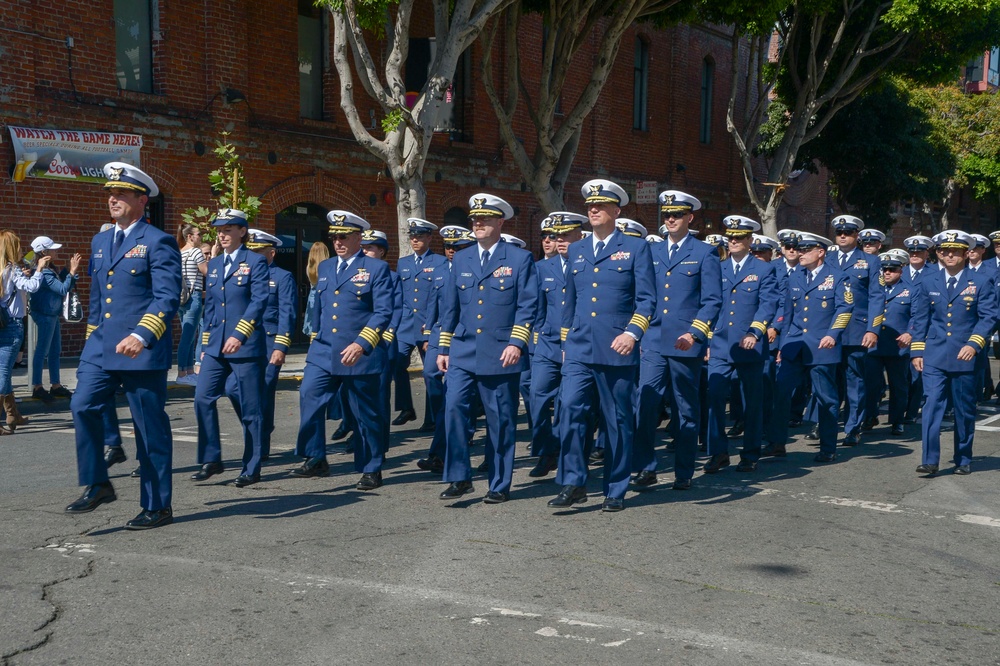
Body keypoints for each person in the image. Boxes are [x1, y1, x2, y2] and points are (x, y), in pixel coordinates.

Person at [65, 162, 181, 530]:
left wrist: (142, 335)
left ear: (142, 200)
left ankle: (158, 506)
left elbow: (167, 297)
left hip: (141, 350)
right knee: (82, 404)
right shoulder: (100, 241)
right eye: (110, 194)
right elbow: (98, 299)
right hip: (101, 346)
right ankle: (99, 483)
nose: (112, 199)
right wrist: (91, 343)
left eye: (121, 194)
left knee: (149, 430)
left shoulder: (157, 241)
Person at [550, 179, 655, 512]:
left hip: (616, 347)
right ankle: (573, 482)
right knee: (569, 409)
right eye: (590, 206)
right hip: (579, 347)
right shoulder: (577, 249)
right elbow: (570, 300)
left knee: (617, 420)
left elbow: (647, 300)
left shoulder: (636, 248)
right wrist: (565, 342)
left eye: (601, 205)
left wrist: (632, 334)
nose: (593, 210)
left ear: (616, 211)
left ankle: (615, 488)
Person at [435, 194, 537, 504]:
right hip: (463, 350)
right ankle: (459, 476)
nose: (478, 224)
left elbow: (527, 305)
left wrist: (517, 343)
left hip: (500, 352)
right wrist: (444, 347)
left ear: (500, 222)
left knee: (500, 420)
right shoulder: (462, 258)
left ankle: (499, 483)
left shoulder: (519, 258)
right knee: (453, 409)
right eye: (475, 219)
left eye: (485, 219)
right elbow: (450, 306)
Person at [291, 210, 393, 489]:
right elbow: (321, 308)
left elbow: (383, 312)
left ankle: (371, 467)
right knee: (309, 395)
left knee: (365, 414)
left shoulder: (376, 269)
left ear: (359, 237)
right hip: (324, 350)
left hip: (358, 352)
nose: (338, 242)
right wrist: (315, 338)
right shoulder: (326, 267)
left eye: (344, 236)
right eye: (334, 237)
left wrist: (362, 343)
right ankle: (315, 456)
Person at [631, 190, 722, 491]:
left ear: (689, 218)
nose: (670, 219)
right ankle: (646, 467)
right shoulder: (651, 251)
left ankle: (684, 470)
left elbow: (712, 300)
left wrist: (695, 333)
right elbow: (642, 294)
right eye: (667, 214)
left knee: (685, 408)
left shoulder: (704, 252)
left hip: (685, 342)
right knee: (646, 403)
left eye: (677, 214)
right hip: (654, 339)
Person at [191, 209, 269, 488]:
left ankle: (252, 466)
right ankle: (212, 458)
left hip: (244, 346)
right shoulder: (214, 264)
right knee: (202, 398)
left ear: (242, 232)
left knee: (250, 409)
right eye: (219, 230)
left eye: (228, 229)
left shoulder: (255, 261)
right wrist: (205, 344)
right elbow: (211, 307)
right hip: (216, 346)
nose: (222, 235)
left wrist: (240, 334)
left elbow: (259, 301)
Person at [910, 231, 998, 476]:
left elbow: (988, 317)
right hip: (935, 355)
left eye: (956, 251)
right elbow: (921, 318)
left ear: (966, 254)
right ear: (939, 253)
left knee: (964, 410)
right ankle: (929, 460)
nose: (950, 255)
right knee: (931, 405)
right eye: (945, 251)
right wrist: (917, 351)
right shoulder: (929, 281)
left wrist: (974, 344)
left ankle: (963, 457)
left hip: (965, 356)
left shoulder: (981, 281)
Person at [764, 231, 853, 463]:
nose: (800, 253)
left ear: (820, 252)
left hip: (822, 346)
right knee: (781, 392)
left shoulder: (838, 276)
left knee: (826, 398)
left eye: (805, 250)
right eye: (799, 249)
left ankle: (828, 447)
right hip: (795, 345)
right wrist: (783, 344)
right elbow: (788, 312)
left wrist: (833, 334)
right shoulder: (795, 276)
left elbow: (844, 308)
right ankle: (777, 443)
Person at [702, 217, 777, 474]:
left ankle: (750, 453)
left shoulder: (763, 269)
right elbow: (709, 305)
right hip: (720, 344)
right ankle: (718, 452)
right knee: (714, 397)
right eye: (730, 237)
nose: (733, 241)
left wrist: (755, 332)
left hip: (749, 345)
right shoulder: (717, 268)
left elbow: (768, 304)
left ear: (750, 240)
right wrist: (706, 339)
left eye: (739, 237)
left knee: (751, 402)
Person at [225, 229, 297, 461]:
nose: (252, 255)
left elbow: (287, 313)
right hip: (245, 341)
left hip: (268, 342)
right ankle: (256, 427)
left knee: (263, 391)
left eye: (258, 251)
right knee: (232, 388)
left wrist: (281, 346)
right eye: (250, 250)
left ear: (271, 253)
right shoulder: (242, 273)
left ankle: (260, 440)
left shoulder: (282, 277)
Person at [528, 212, 587, 478]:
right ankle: (546, 450)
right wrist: (537, 339)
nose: (559, 240)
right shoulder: (543, 268)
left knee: (568, 403)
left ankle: (567, 453)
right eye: (555, 236)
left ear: (579, 237)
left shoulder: (586, 263)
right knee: (537, 395)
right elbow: (538, 308)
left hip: (576, 343)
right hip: (548, 343)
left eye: (564, 235)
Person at [416, 224, 477, 474]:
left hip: (466, 337)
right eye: (449, 246)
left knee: (458, 394)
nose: (452, 251)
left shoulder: (475, 267)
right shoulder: (440, 270)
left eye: (458, 247)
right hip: (442, 333)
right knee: (432, 376)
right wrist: (428, 334)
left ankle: (447, 446)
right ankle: (444, 438)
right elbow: (434, 304)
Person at [829, 215, 884, 447]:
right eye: (839, 232)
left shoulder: (870, 261)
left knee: (854, 381)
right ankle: (825, 423)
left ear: (857, 236)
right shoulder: (827, 258)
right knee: (827, 379)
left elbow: (877, 297)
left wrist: (873, 329)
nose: (843, 236)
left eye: (848, 232)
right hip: (829, 330)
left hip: (856, 329)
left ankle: (853, 427)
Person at [393, 218, 448, 430]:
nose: (415, 240)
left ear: (429, 238)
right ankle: (406, 407)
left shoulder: (439, 262)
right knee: (396, 363)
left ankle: (433, 417)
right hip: (406, 325)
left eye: (420, 236)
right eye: (412, 237)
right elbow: (400, 295)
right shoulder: (404, 263)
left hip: (428, 324)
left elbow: (440, 297)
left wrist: (433, 326)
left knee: (430, 372)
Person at [0, 231, 50, 433]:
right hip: (11, 325)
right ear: (12, 248)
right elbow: (33, 286)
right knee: (3, 372)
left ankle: (13, 414)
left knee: (3, 370)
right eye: (19, 246)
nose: (22, 249)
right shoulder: (12, 269)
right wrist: (39, 269)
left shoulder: (5, 269)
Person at [863, 249, 914, 436]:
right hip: (874, 346)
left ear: (901, 270)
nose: (887, 273)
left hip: (898, 346)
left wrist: (910, 333)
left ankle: (897, 420)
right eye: (884, 269)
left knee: (898, 386)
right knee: (871, 384)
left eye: (892, 269)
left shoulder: (910, 290)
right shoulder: (872, 289)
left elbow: (918, 315)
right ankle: (870, 416)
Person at [28, 236, 81, 402]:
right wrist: (72, 272)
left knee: (54, 350)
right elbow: (63, 289)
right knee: (42, 351)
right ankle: (37, 386)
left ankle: (55, 385)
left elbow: (63, 287)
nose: (56, 251)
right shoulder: (44, 272)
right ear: (44, 252)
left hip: (51, 313)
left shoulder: (48, 268)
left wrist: (68, 274)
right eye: (53, 249)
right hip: (45, 314)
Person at [176, 224, 208, 385]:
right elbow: (207, 272)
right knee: (188, 337)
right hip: (193, 295)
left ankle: (188, 371)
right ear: (190, 236)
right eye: (198, 234)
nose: (201, 237)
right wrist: (214, 254)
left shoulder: (179, 253)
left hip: (181, 298)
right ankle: (182, 373)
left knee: (188, 334)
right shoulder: (196, 252)